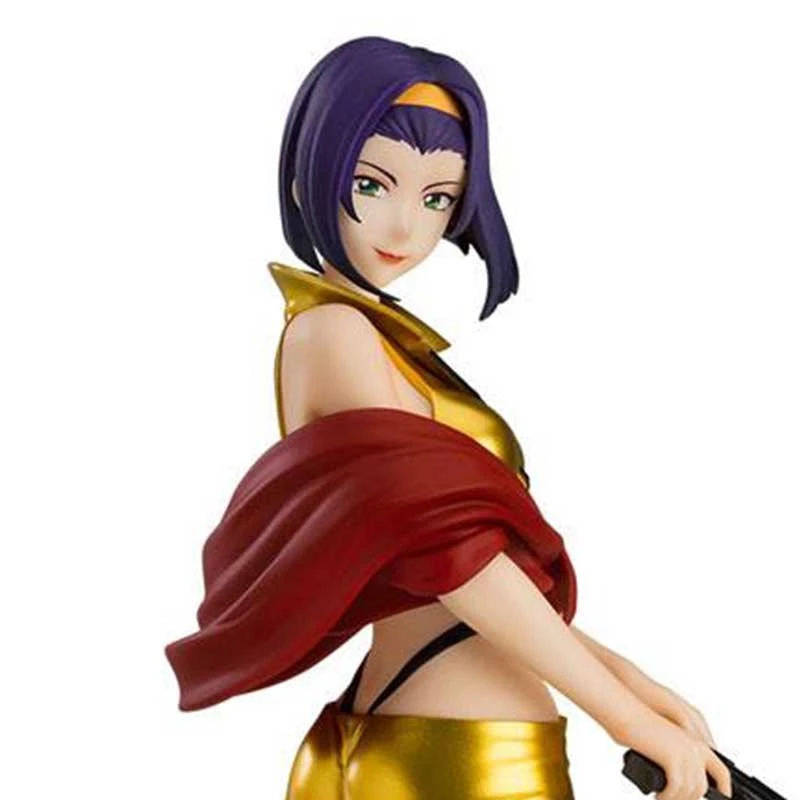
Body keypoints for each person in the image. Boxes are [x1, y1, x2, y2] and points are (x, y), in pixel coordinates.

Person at [165, 36, 733, 800]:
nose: (404, 227)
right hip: (453, 750)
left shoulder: (382, 344)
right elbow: (457, 564)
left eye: (436, 198)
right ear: (309, 175)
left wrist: (629, 681)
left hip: (439, 734)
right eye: (372, 184)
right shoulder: (335, 335)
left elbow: (473, 581)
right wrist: (624, 717)